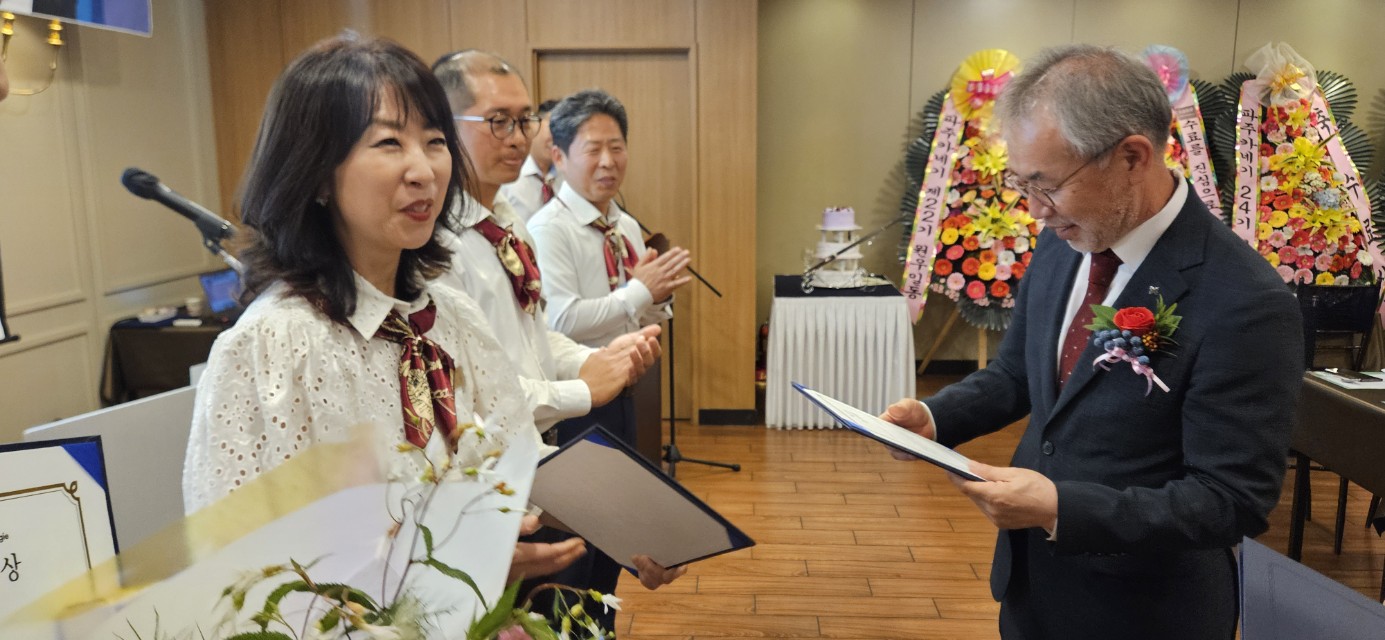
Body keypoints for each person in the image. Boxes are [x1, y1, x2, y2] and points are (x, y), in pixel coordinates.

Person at [880, 44, 1303, 639]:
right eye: (1022, 184)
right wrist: (931, 417)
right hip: (1033, 585)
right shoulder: (1067, 239)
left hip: (1143, 610)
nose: (1034, 211)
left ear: (1132, 156)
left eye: (1046, 185)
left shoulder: (1244, 300)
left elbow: (1230, 499)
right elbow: (1018, 376)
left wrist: (1060, 508)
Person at [181, 34, 582, 583]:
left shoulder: (451, 317)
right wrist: (445, 569)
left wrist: (626, 524)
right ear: (318, 172)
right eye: (390, 143)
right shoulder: (269, 349)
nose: (424, 170)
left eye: (435, 141)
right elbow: (237, 576)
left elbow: (517, 461)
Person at [430, 51, 685, 632]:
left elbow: (534, 333)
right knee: (542, 606)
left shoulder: (509, 224)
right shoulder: (438, 243)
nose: (518, 137)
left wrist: (596, 360)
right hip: (485, 467)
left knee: (588, 594)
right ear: (441, 126)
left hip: (537, 448)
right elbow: (465, 387)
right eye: (498, 121)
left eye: (525, 121)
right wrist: (581, 386)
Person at [527, 89, 692, 449]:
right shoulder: (547, 229)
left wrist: (657, 298)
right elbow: (560, 321)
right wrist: (640, 291)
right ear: (559, 156)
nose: (608, 162)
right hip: (579, 395)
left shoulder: (625, 225)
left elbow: (636, 314)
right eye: (593, 149)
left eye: (617, 148)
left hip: (631, 389)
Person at [497, 98, 563, 221]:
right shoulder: (508, 175)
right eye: (553, 128)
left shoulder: (567, 176)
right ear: (534, 125)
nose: (557, 141)